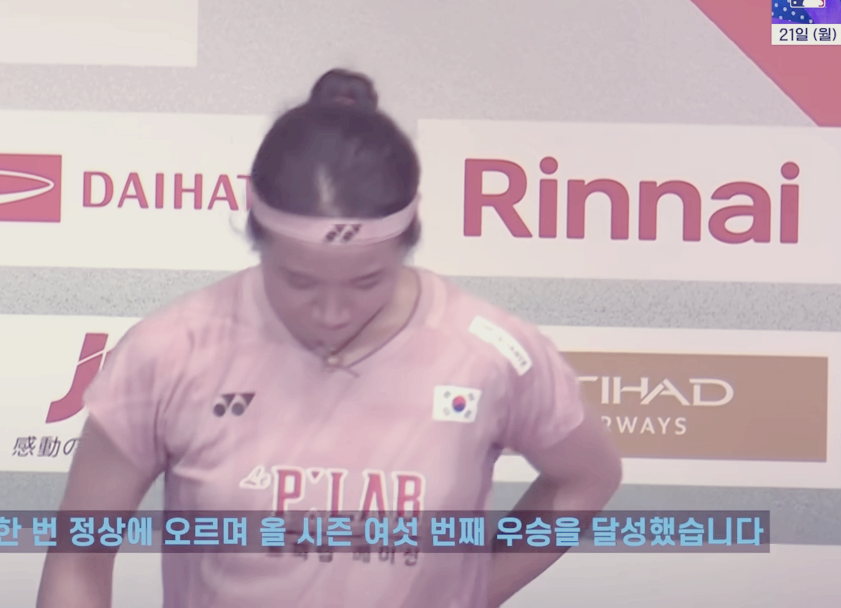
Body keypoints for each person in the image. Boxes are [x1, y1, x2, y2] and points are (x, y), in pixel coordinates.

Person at [36, 73, 623, 608]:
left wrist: (473, 591)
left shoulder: (489, 354)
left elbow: (587, 476)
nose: (334, 311)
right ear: (257, 235)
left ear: (407, 240)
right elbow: (78, 559)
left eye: (367, 281)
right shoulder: (170, 351)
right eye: (300, 281)